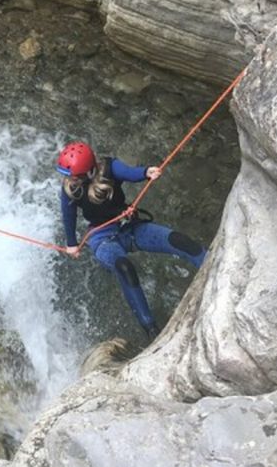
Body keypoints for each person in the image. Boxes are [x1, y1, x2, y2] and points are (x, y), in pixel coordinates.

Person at [56, 141, 207, 340]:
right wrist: (72, 244)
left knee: (178, 240)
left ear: (90, 171)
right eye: (70, 177)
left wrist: (146, 172)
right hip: (102, 239)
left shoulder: (109, 168)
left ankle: (212, 262)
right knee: (125, 268)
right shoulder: (70, 189)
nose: (71, 180)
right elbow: (69, 217)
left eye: (76, 176)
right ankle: (151, 330)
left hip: (129, 226)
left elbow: (130, 172)